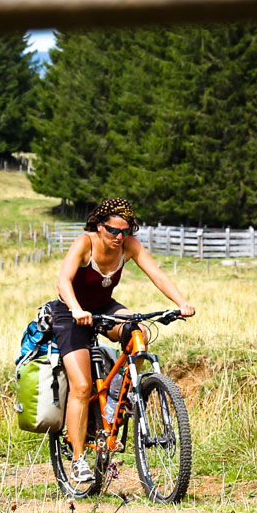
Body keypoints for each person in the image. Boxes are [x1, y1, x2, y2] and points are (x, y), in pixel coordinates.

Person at [42, 198, 195, 486]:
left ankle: (115, 393)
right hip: (69, 312)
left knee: (139, 333)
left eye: (126, 230)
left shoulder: (129, 245)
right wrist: (75, 308)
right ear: (99, 227)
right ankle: (77, 461)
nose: (119, 237)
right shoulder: (85, 242)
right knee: (83, 385)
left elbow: (157, 275)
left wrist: (181, 302)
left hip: (103, 307)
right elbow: (63, 279)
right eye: (113, 230)